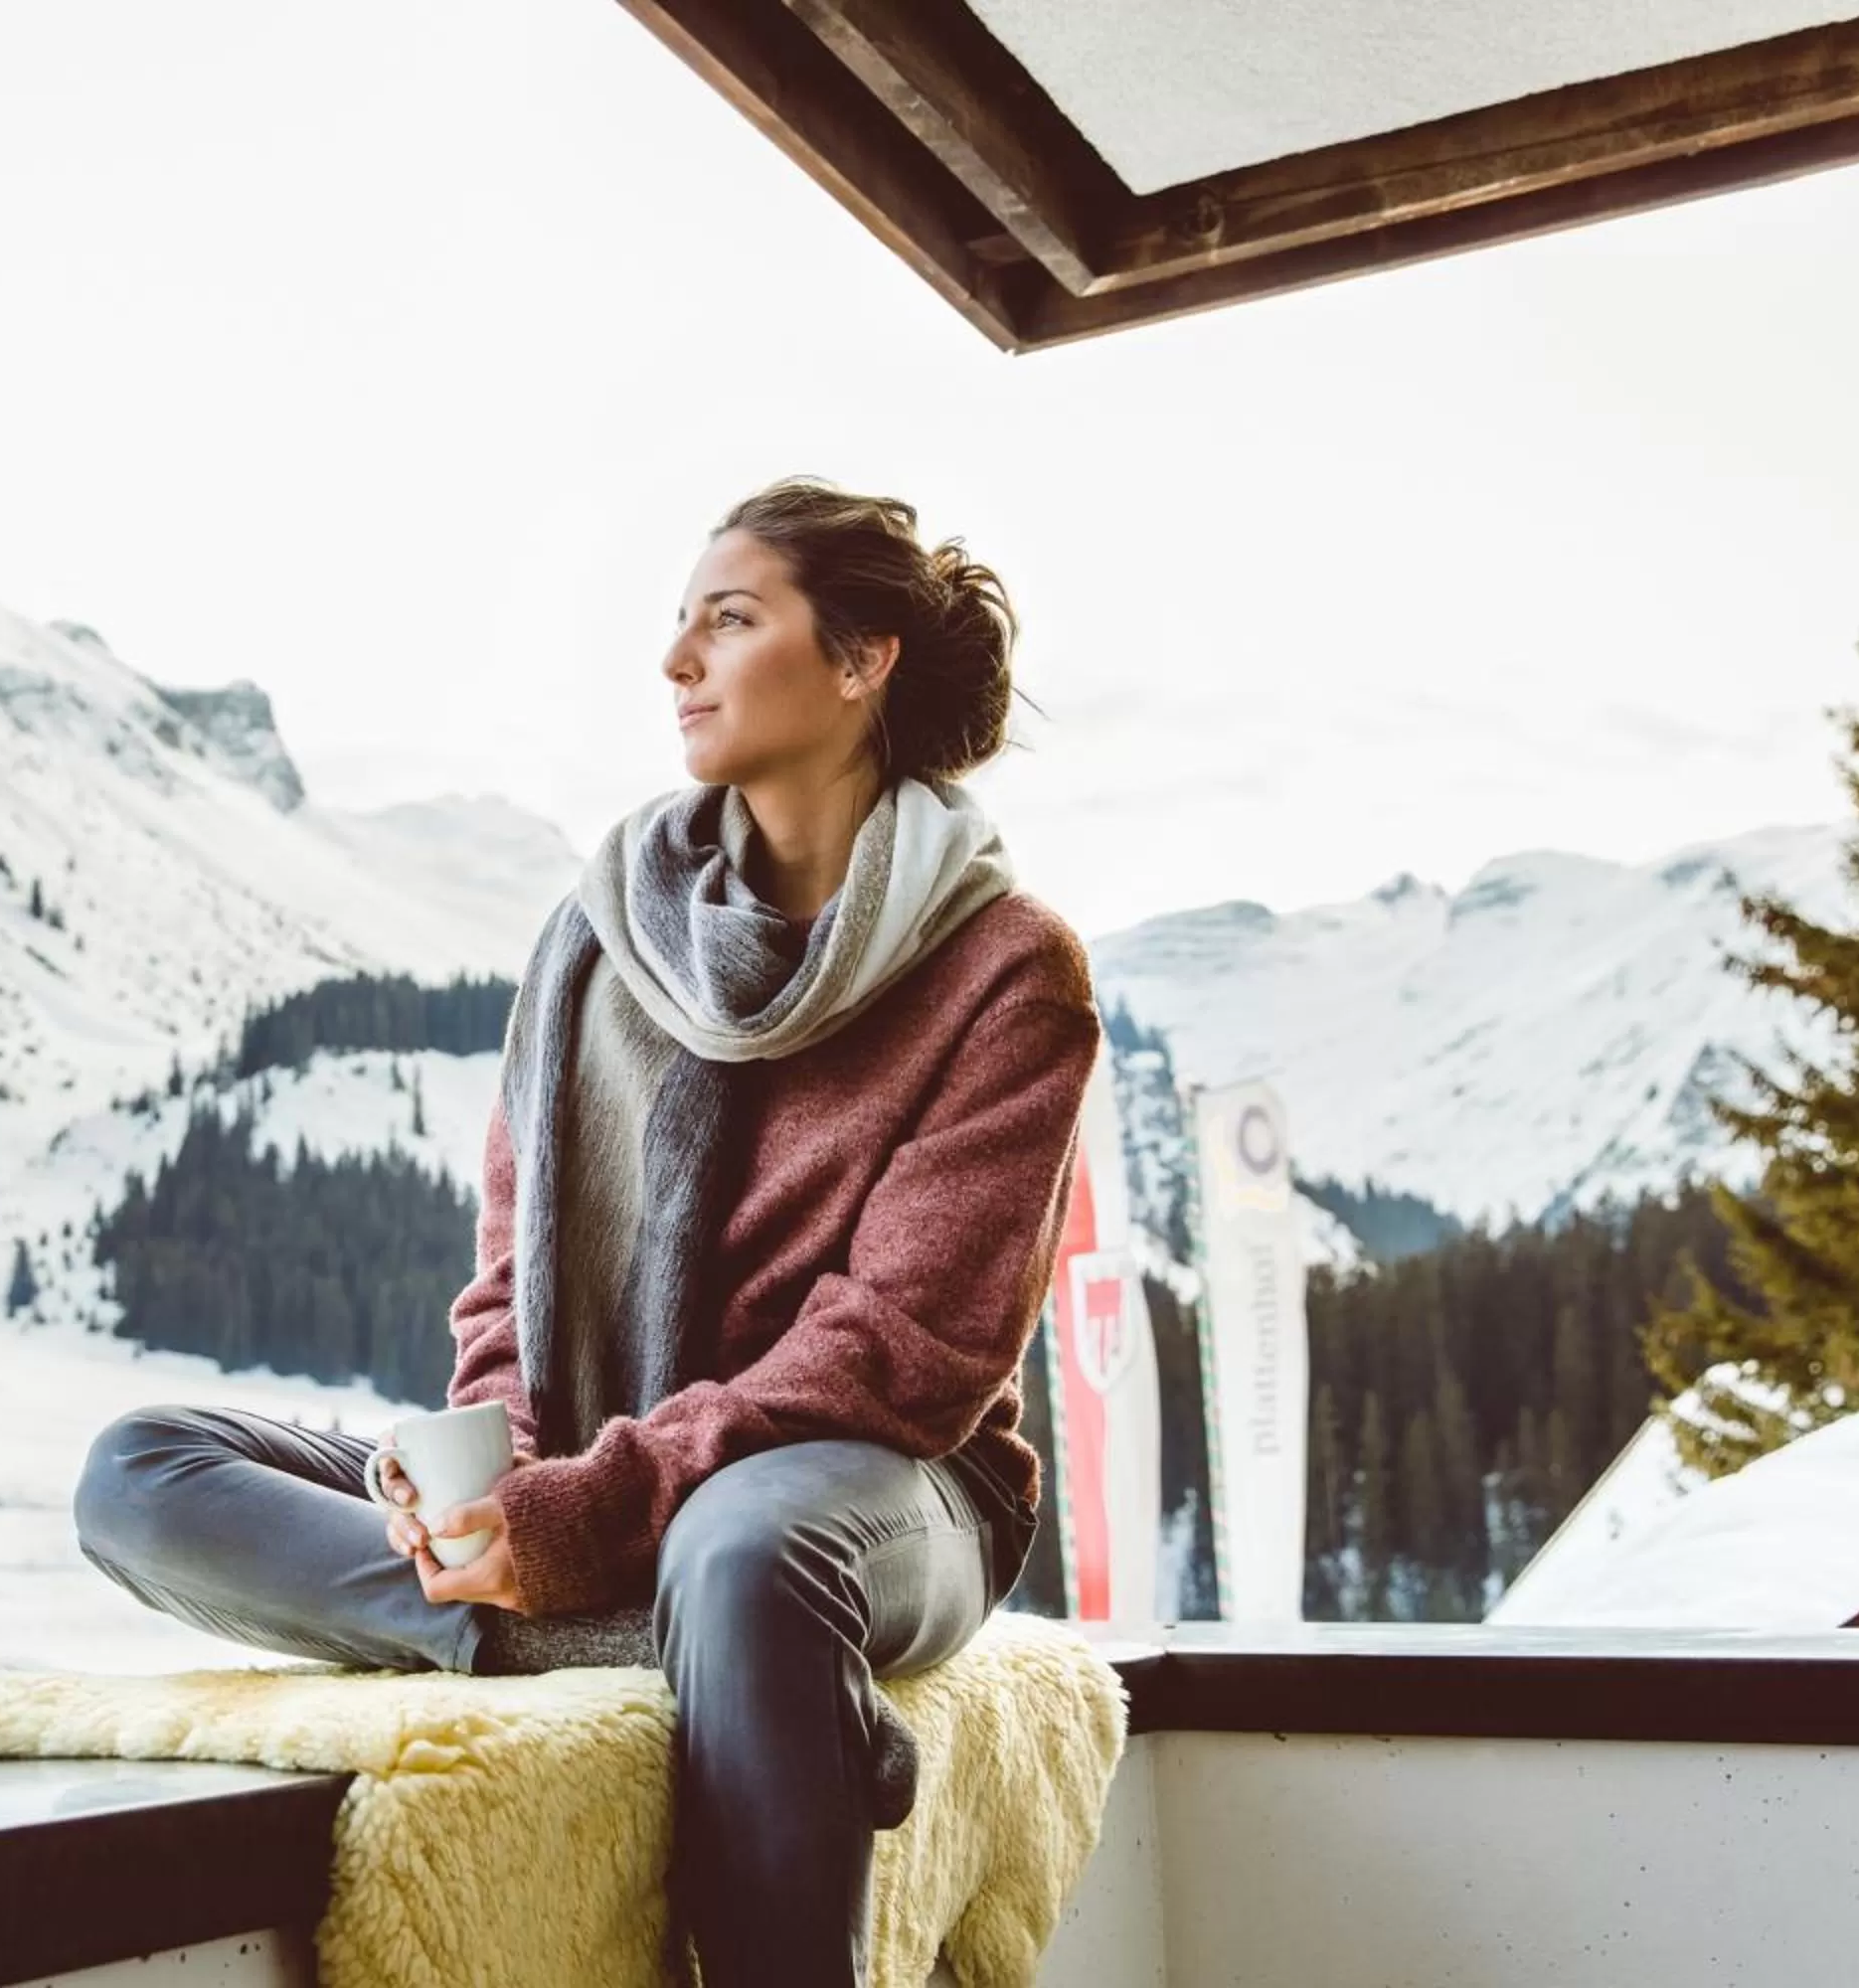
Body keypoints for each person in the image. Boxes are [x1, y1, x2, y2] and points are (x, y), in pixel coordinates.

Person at [73, 476, 1102, 1987]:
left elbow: (900, 1352)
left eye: (728, 621)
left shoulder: (1007, 968)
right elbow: (508, 1285)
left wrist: (592, 1514)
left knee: (743, 1546)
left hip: (881, 1492)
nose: (676, 661)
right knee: (142, 1472)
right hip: (601, 1471)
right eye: (678, 625)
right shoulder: (597, 941)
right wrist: (492, 1480)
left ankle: (741, 1641)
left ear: (862, 658)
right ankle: (730, 1669)